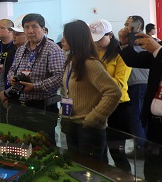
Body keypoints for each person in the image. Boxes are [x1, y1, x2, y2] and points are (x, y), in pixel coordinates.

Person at [61, 20, 121, 162]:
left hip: (88, 129)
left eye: (66, 37)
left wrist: (95, 116)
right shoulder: (72, 61)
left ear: (75, 39)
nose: (62, 40)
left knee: (91, 171)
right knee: (77, 168)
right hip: (72, 124)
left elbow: (113, 92)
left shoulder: (90, 63)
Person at [1, 13, 64, 144]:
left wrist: (35, 86)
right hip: (19, 105)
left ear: (43, 29)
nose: (30, 31)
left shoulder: (53, 49)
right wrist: (12, 79)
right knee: (18, 143)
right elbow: (12, 69)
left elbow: (58, 77)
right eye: (26, 27)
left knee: (43, 146)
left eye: (34, 27)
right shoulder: (21, 49)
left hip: (42, 108)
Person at [117, 20, 162, 182]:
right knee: (153, 172)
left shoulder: (159, 50)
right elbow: (135, 60)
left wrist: (157, 50)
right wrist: (124, 44)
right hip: (155, 123)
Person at [89, 19, 132, 171]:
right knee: (99, 150)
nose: (97, 42)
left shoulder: (120, 54)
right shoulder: (92, 52)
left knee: (117, 152)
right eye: (94, 39)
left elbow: (119, 83)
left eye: (100, 38)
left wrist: (97, 80)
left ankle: (125, 181)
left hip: (118, 107)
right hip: (97, 104)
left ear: (111, 35)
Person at [124, 16, 149, 157]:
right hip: (141, 82)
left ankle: (140, 148)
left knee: (137, 116)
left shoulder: (138, 41)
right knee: (140, 115)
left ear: (137, 25)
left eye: (128, 24)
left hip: (138, 83)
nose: (125, 27)